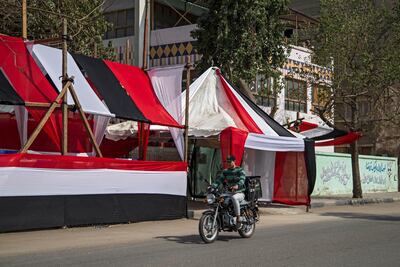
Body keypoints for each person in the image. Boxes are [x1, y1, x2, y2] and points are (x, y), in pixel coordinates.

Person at [212, 155, 246, 228]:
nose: (228, 163)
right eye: (227, 162)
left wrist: (237, 186)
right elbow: (219, 180)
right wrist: (213, 186)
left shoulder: (240, 170)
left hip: (239, 192)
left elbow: (242, 180)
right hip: (229, 192)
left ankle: (238, 217)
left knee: (234, 198)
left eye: (230, 162)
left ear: (234, 161)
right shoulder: (225, 171)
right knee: (219, 200)